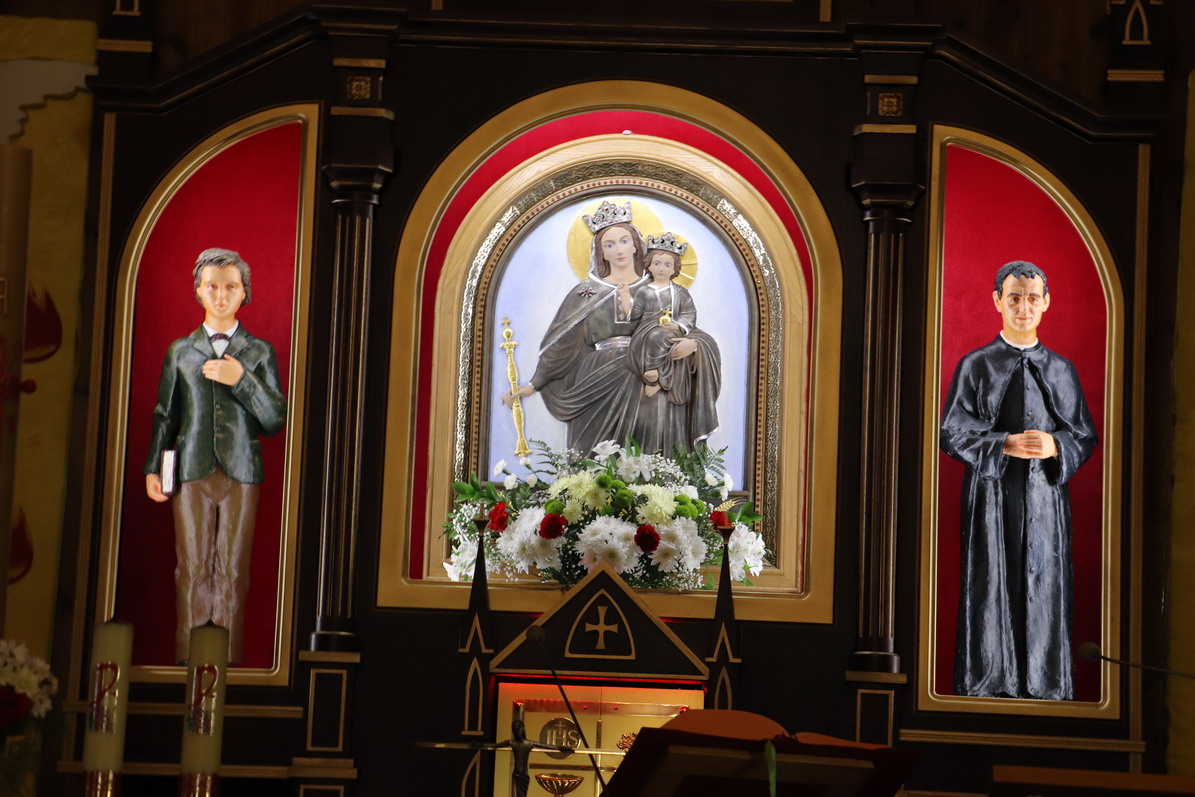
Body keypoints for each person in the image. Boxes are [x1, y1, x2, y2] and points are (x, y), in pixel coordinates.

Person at [940, 260, 1097, 700]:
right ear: (998, 302)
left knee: (1044, 586)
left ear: (1046, 303)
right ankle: (991, 682)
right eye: (1014, 298)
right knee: (992, 585)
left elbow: (1084, 435)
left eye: (1032, 298)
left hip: (1046, 500)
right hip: (991, 497)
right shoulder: (976, 365)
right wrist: (1003, 444)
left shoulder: (1061, 370)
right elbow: (951, 432)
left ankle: (1047, 685)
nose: (1023, 308)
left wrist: (1055, 446)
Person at [144, 248, 286, 665]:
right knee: (191, 569)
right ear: (198, 291)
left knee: (234, 571)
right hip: (192, 470)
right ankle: (188, 662)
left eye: (230, 287)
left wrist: (241, 379)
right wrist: (154, 467)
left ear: (244, 293)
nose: (221, 296)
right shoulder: (181, 351)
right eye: (212, 287)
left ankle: (227, 665)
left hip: (242, 473)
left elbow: (275, 419)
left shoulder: (259, 352)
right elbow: (166, 414)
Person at [503, 201, 701, 454]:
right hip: (597, 379)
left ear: (636, 245)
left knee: (648, 455)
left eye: (624, 241)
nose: (618, 249)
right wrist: (532, 385)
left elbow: (686, 326)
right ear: (601, 253)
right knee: (594, 459)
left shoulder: (662, 289)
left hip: (646, 375)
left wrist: (693, 344)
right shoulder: (586, 293)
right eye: (609, 244)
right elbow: (561, 345)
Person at [626, 232, 721, 454]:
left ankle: (663, 379)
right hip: (646, 331)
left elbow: (689, 314)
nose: (661, 268)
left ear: (674, 269)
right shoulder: (644, 291)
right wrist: (624, 300)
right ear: (649, 266)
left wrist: (679, 326)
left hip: (671, 331)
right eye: (657, 263)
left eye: (667, 264)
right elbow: (635, 315)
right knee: (655, 337)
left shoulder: (680, 292)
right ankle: (652, 374)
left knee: (669, 339)